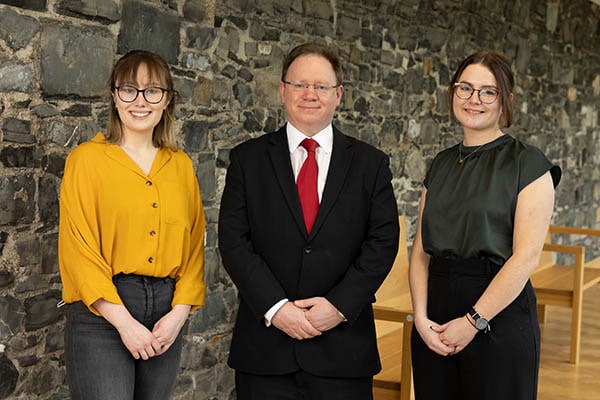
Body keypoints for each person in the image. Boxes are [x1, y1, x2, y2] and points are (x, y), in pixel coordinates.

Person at [218, 42, 400, 400]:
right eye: (300, 84)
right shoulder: (247, 160)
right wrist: (277, 309)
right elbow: (234, 243)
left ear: (338, 95)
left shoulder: (370, 164)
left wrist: (337, 308)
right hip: (266, 351)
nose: (310, 94)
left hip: (343, 353)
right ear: (283, 92)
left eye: (321, 86)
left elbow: (382, 243)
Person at [409, 50, 561, 399]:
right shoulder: (441, 164)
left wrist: (474, 320)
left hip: (499, 314)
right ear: (453, 93)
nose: (473, 99)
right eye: (465, 88)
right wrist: (420, 318)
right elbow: (420, 251)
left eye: (487, 91)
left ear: (505, 100)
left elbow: (525, 258)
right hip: (436, 317)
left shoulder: (528, 163)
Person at [58, 49, 206, 400]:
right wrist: (125, 324)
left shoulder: (181, 165)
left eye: (152, 91)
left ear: (167, 99)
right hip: (103, 313)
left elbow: (195, 244)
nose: (140, 101)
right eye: (129, 89)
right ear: (114, 95)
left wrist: (179, 313)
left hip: (166, 313)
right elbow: (80, 251)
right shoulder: (86, 160)